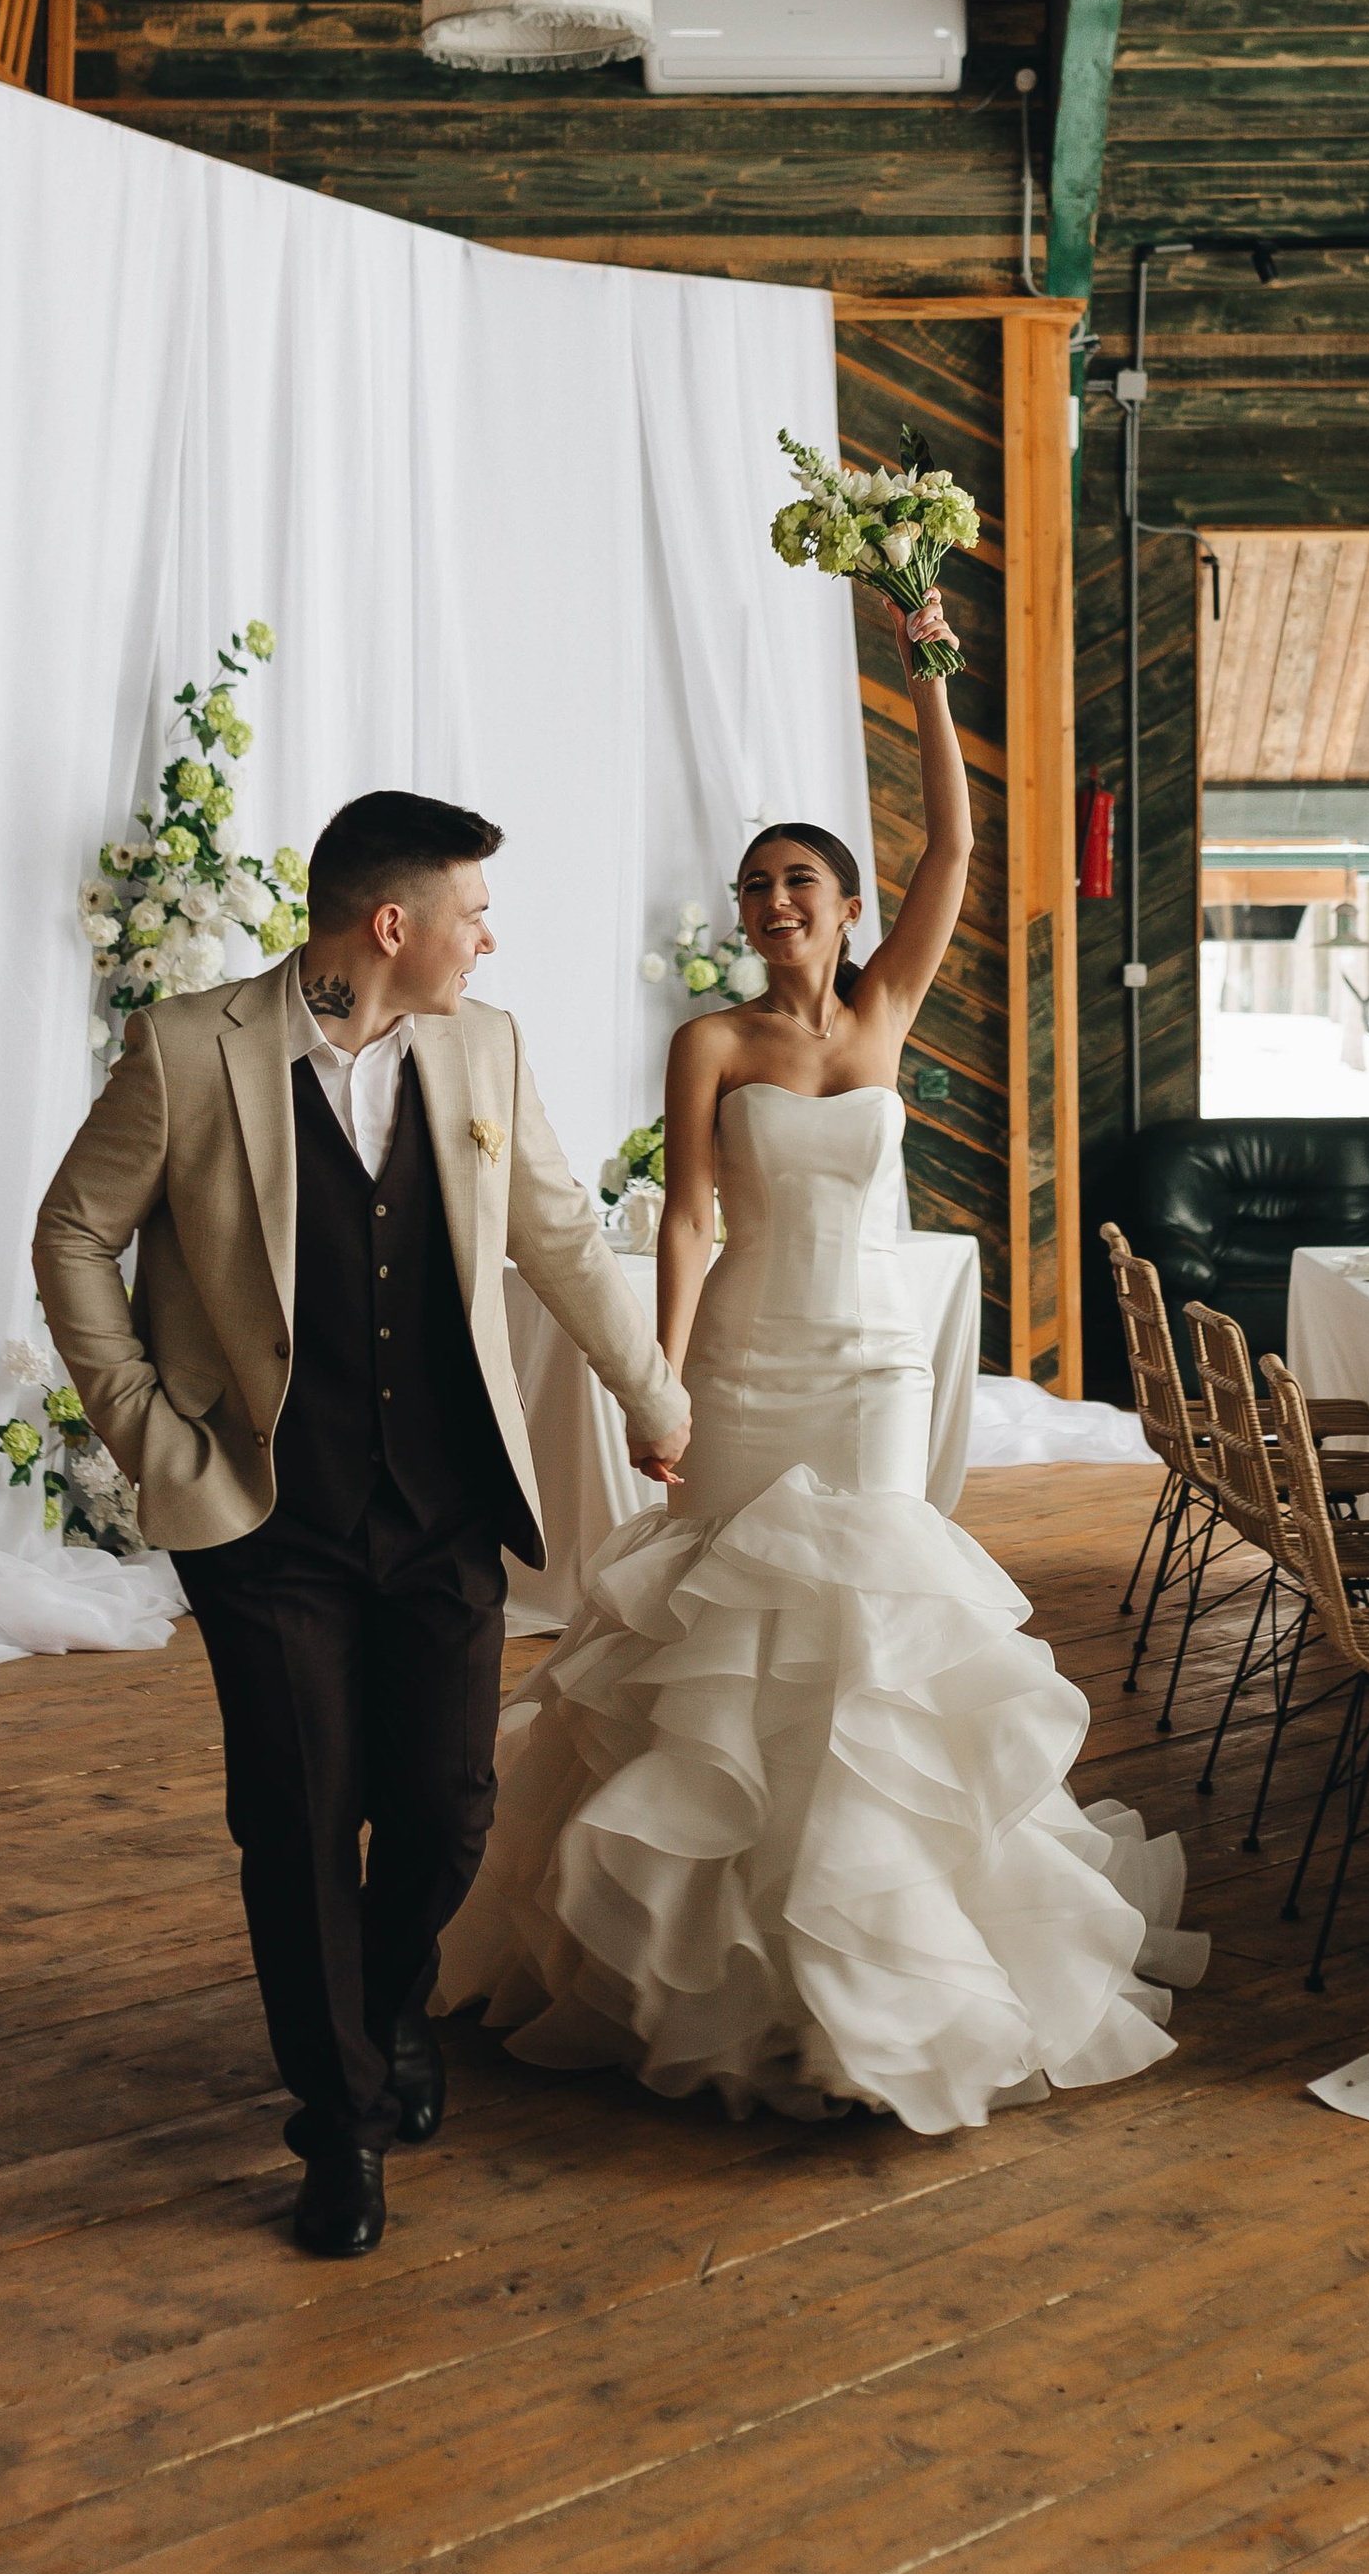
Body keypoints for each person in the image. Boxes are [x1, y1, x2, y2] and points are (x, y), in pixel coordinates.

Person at [440, 591, 1206, 2131]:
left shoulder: (883, 1019)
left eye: (798, 880)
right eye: (755, 887)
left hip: (866, 1371)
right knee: (718, 1643)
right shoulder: (714, 1045)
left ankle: (880, 1976)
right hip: (746, 1364)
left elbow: (964, 854)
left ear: (849, 907)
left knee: (868, 1645)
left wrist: (927, 663)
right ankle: (696, 1973)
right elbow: (686, 1225)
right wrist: (655, 1385)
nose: (772, 900)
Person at [32, 791, 690, 2260]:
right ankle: (340, 2125)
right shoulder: (191, 1049)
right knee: (300, 1821)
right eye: (470, 914)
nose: (485, 940)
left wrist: (653, 1397)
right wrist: (147, 1428)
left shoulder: (483, 1047)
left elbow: (561, 1238)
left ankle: (387, 2013)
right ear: (392, 925)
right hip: (267, 1518)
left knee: (450, 1810)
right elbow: (73, 1229)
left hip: (442, 1503)